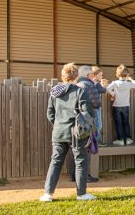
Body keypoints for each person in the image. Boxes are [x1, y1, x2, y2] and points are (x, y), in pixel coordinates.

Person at [39, 63, 95, 202]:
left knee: (56, 161)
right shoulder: (80, 91)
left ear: (63, 76)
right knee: (80, 161)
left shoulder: (54, 92)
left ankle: (48, 194)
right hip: (76, 132)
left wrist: (58, 124)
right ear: (76, 76)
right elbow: (85, 112)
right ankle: (81, 194)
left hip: (58, 131)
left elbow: (50, 114)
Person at [66, 65, 101, 183]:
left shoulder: (74, 85)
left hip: (73, 120)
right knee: (86, 149)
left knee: (74, 148)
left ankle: (72, 174)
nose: (93, 75)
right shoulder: (89, 85)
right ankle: (85, 176)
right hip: (86, 121)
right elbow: (96, 103)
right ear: (88, 75)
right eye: (91, 73)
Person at [107, 64, 135, 146]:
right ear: (127, 74)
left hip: (116, 105)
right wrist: (131, 79)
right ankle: (128, 138)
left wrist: (113, 94)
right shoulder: (128, 83)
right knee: (126, 122)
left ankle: (120, 139)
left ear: (117, 74)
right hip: (126, 105)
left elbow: (107, 88)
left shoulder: (115, 83)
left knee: (118, 123)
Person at [90, 66, 106, 144]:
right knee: (98, 125)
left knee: (95, 124)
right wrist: (104, 85)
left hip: (92, 107)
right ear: (94, 75)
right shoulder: (96, 83)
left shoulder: (91, 83)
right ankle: (98, 142)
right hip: (96, 107)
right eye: (100, 75)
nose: (101, 77)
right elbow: (103, 90)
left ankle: (95, 141)